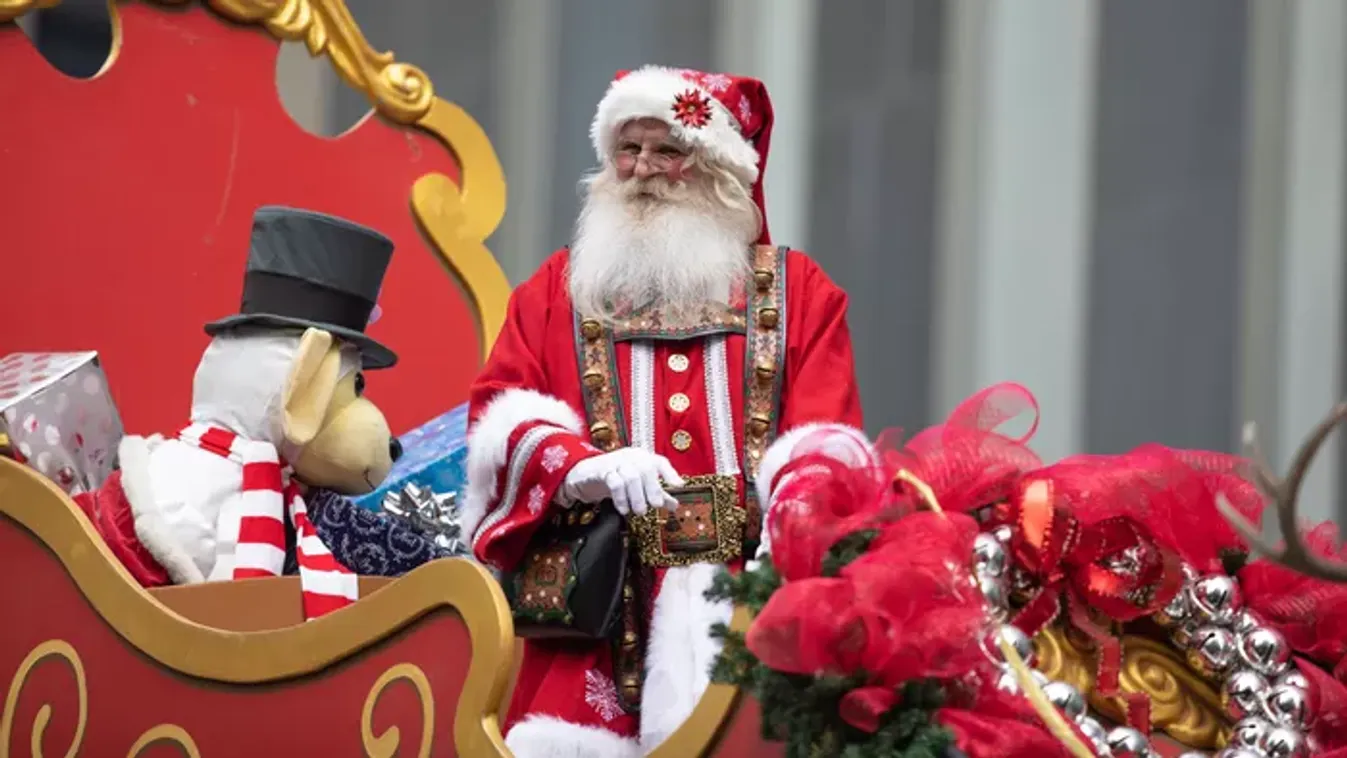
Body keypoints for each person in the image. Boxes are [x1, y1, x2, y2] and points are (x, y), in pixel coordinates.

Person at [459, 65, 874, 757]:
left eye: (667, 150)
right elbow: (495, 418)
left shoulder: (801, 293)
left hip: (751, 601)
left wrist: (792, 536)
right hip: (597, 612)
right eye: (628, 148)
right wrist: (583, 469)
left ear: (718, 169)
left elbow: (826, 441)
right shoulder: (554, 292)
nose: (643, 169)